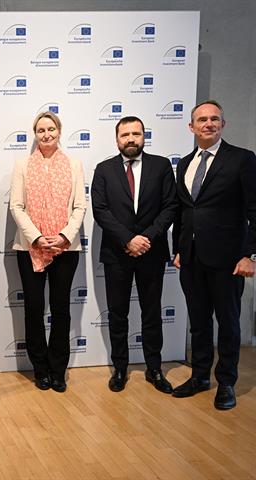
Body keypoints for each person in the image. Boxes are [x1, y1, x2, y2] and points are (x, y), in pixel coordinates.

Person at [172, 100, 256, 410]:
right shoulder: (185, 163)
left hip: (229, 259)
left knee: (229, 323)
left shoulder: (242, 160)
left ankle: (227, 383)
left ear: (223, 124)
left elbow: (255, 210)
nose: (209, 124)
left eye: (214, 119)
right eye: (202, 120)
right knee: (198, 322)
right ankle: (200, 376)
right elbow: (184, 210)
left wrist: (252, 255)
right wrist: (178, 249)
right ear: (191, 127)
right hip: (191, 258)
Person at [91, 116, 178, 394]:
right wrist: (128, 239)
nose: (131, 139)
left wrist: (146, 238)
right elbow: (100, 209)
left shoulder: (162, 166)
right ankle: (120, 368)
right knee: (118, 313)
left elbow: (170, 206)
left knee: (152, 312)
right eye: (125, 134)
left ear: (144, 136)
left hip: (151, 252)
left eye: (136, 134)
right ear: (117, 139)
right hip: (117, 253)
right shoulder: (103, 169)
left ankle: (154, 369)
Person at [9, 111, 87, 393]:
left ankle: (58, 370)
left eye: (50, 129)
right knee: (33, 309)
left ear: (59, 131)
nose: (46, 134)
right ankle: (40, 369)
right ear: (35, 134)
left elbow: (80, 206)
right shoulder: (22, 165)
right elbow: (16, 206)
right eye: (40, 130)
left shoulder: (75, 164)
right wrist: (38, 238)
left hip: (65, 249)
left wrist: (64, 236)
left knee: (61, 309)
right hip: (30, 248)